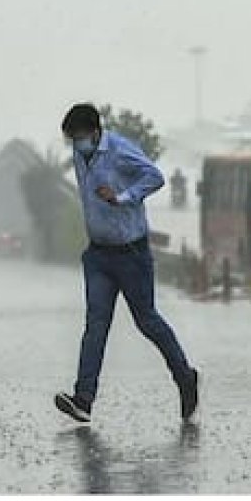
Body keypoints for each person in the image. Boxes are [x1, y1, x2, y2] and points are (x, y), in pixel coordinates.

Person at [54, 102, 199, 424]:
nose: (76, 145)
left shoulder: (120, 151)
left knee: (147, 321)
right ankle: (84, 398)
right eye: (72, 139)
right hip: (98, 255)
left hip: (131, 253)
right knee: (95, 326)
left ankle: (185, 378)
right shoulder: (80, 156)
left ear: (94, 132)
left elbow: (155, 177)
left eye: (79, 137)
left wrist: (122, 197)